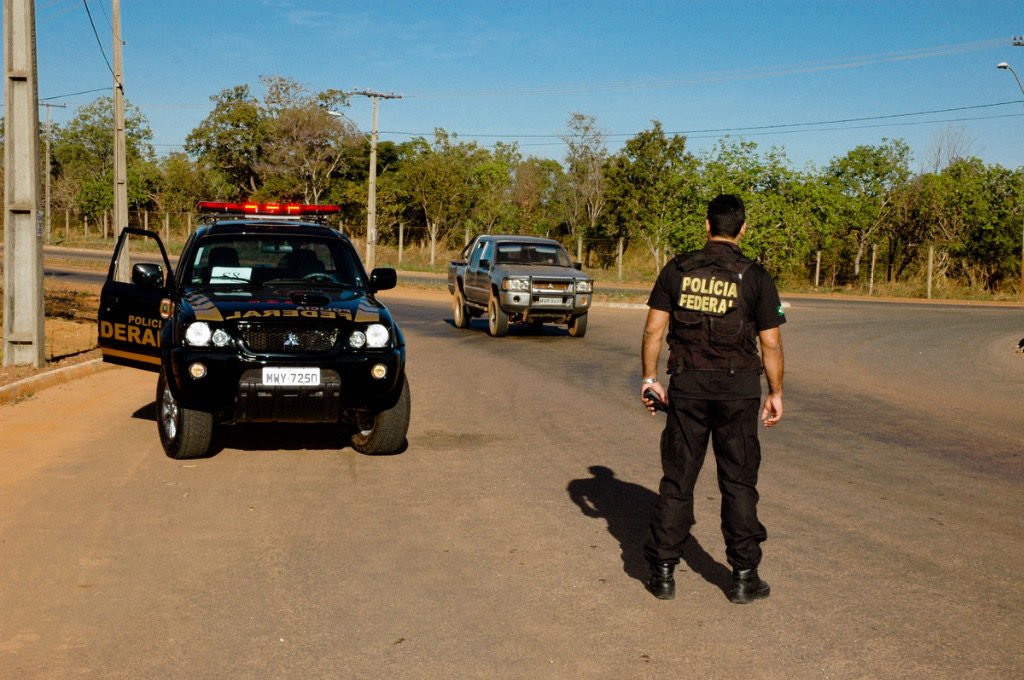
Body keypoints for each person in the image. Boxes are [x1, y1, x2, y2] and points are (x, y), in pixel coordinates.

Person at [640, 194, 785, 604]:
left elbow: (653, 331)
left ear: (707, 226)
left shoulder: (678, 269)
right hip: (738, 393)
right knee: (738, 482)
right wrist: (775, 393)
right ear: (743, 228)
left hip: (688, 389)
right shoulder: (755, 276)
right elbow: (770, 345)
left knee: (678, 479)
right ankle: (743, 577)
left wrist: (650, 378)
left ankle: (663, 572)